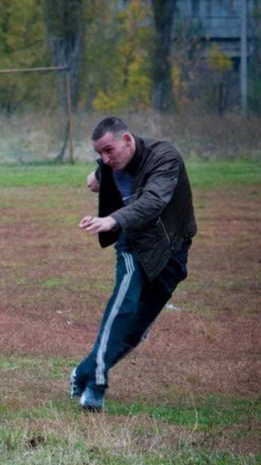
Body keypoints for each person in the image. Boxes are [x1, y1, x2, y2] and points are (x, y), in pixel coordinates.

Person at [71, 116, 197, 411]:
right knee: (123, 306)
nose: (105, 158)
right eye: (99, 154)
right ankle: (96, 385)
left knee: (136, 329)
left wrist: (112, 218)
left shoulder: (166, 157)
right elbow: (108, 168)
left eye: (109, 150)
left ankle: (83, 372)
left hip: (172, 250)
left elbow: (154, 200)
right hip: (133, 245)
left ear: (127, 140)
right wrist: (99, 172)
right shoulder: (111, 163)